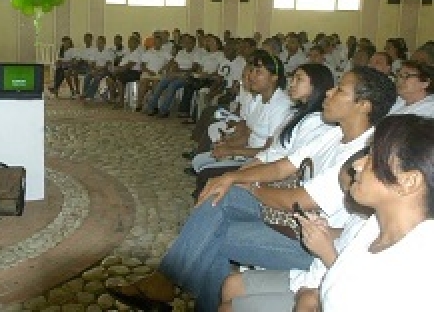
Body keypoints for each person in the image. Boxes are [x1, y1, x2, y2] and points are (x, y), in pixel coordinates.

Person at [107, 67, 396, 312]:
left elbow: (296, 200)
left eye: (340, 90)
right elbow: (283, 166)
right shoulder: (334, 135)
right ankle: (167, 284)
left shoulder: (361, 155)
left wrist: (251, 185)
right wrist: (231, 177)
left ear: (364, 104)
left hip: (314, 242)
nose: (329, 93)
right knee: (222, 196)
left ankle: (169, 285)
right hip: (292, 222)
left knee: (211, 234)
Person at [218, 147, 371, 312]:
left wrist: (325, 250)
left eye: (351, 189)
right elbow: (346, 234)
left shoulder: (384, 236)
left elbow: (354, 289)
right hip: (312, 276)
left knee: (222, 239)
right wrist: (325, 230)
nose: (347, 196)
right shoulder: (362, 217)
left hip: (326, 287)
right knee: (231, 285)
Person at [319, 114, 434, 311]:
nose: (357, 164)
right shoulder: (375, 225)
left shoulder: (418, 274)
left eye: (373, 156)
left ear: (408, 182)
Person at [190, 63, 336, 199]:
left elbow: (286, 165)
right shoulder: (295, 113)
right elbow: (268, 150)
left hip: (276, 175)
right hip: (263, 161)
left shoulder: (315, 121)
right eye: (293, 79)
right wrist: (242, 169)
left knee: (210, 176)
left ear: (316, 85)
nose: (292, 84)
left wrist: (237, 164)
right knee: (208, 169)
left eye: (299, 80)